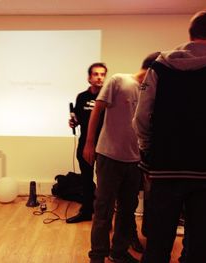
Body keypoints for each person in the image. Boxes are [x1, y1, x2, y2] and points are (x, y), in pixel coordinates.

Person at [134, 11, 206, 263]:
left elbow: (140, 118)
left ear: (191, 33)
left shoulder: (159, 66)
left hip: (165, 170)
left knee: (158, 245)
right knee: (201, 248)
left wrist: (149, 153)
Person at [83, 52, 160, 263]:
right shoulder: (119, 80)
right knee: (103, 209)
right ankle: (97, 255)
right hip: (109, 156)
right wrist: (90, 143)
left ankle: (118, 252)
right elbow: (97, 110)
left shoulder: (150, 92)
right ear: (153, 69)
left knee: (128, 211)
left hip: (134, 161)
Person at [66, 62, 107, 223]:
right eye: (96, 74)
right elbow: (77, 118)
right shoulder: (82, 97)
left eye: (102, 74)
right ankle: (86, 211)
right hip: (85, 143)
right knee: (86, 179)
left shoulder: (108, 97)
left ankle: (103, 218)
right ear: (89, 78)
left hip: (105, 145)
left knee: (104, 182)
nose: (99, 77)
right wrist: (73, 122)